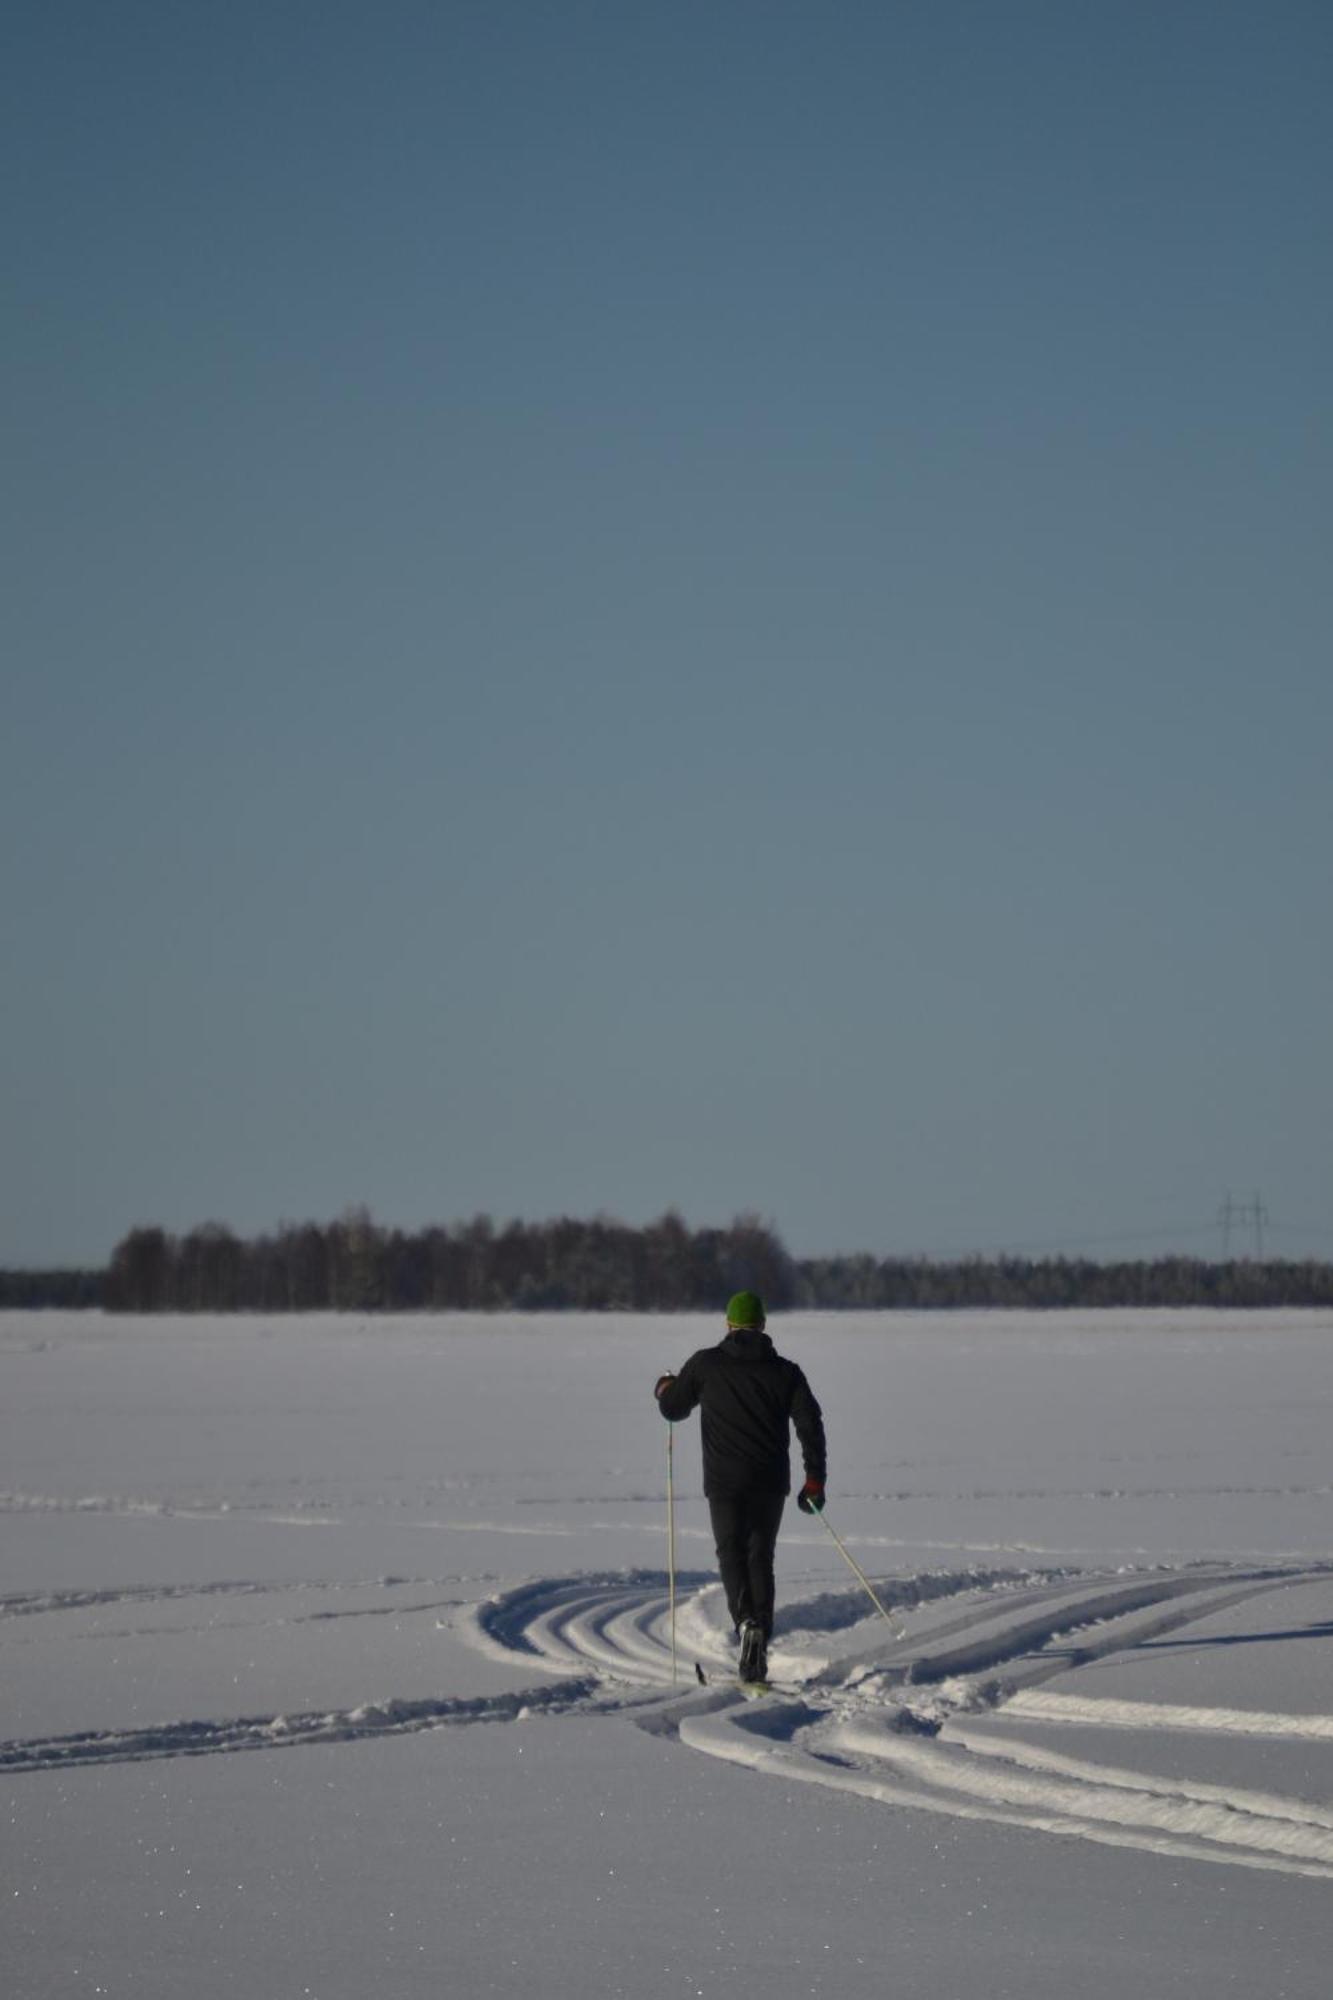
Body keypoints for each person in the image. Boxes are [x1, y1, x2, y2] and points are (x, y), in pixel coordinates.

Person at [654, 1290, 826, 1684]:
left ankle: (746, 1622)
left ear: (729, 1325)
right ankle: (759, 1640)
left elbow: (672, 1408)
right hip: (770, 1482)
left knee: (731, 1552)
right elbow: (810, 1425)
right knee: (760, 1555)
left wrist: (665, 1387)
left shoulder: (706, 1365)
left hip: (724, 1482)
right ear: (763, 1325)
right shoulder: (787, 1372)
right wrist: (814, 1479)